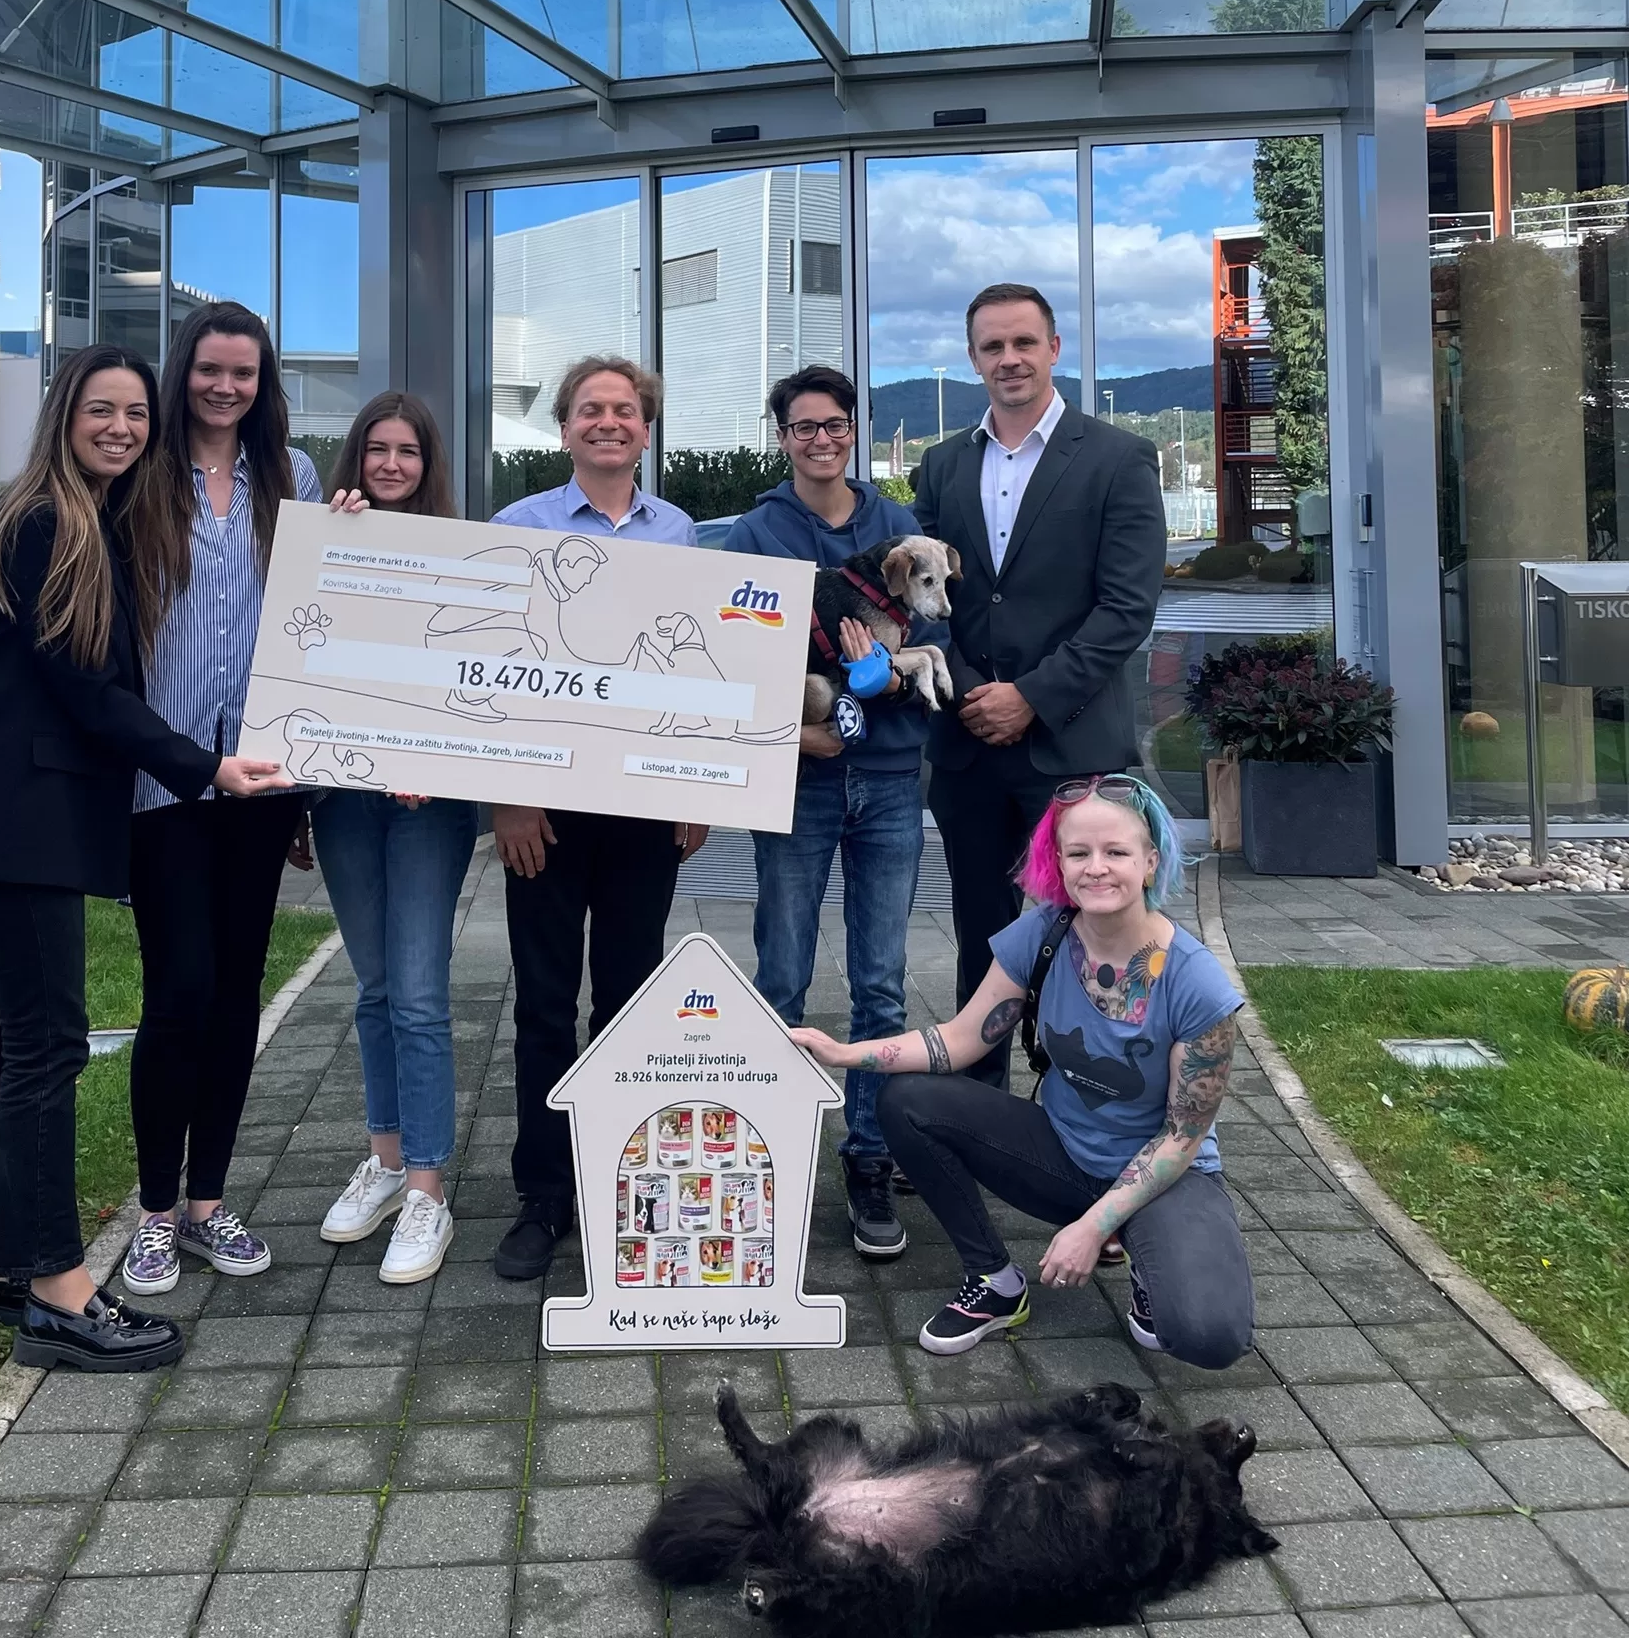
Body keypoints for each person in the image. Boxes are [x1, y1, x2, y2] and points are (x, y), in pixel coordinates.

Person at [0, 346, 287, 1372]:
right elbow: (88, 689)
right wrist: (205, 768)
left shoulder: (77, 515)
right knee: (47, 1048)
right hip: (20, 821)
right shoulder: (44, 522)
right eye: (100, 410)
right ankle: (58, 1292)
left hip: (12, 820)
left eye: (134, 414)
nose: (120, 428)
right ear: (63, 416)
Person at [791, 774, 1254, 1368]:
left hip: (1164, 1175)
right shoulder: (1045, 934)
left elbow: (1181, 1139)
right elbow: (960, 1040)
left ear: (1150, 862)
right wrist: (844, 1053)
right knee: (906, 1101)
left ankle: (1146, 1257)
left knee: (1208, 1335)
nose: (1096, 868)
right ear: (1057, 862)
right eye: (1078, 853)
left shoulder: (1197, 984)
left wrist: (1093, 1227)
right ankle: (994, 1281)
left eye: (1116, 852)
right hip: (1062, 1154)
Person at [488, 355, 708, 1280]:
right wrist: (508, 797)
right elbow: (493, 671)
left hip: (643, 810)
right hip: (543, 813)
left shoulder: (681, 533)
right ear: (566, 428)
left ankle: (621, 1180)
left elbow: (695, 667)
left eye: (625, 410)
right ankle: (544, 1195)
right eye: (590, 409)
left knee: (628, 999)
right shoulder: (516, 528)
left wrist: (697, 787)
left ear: (645, 431)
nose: (608, 421)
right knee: (544, 1006)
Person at [119, 302, 323, 1298]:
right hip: (164, 775)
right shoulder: (140, 477)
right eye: (211, 369)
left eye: (244, 373)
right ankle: (155, 1213)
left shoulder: (294, 480)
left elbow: (323, 606)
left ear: (262, 382)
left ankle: (207, 1203)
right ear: (183, 371)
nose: (226, 387)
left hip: (263, 777)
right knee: (180, 990)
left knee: (238, 990)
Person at [915, 283, 1166, 1084]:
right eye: (992, 346)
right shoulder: (942, 465)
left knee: (1094, 940)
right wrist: (968, 694)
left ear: (1054, 349)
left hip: (1071, 746)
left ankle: (1088, 1110)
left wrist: (1030, 697)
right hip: (968, 749)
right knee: (982, 941)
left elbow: (1126, 610)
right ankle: (975, 1110)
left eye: (1024, 342)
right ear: (973, 358)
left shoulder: (1119, 458)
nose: (1010, 358)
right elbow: (924, 601)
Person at [725, 364, 928, 1261]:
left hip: (889, 779)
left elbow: (938, 629)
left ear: (853, 430)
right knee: (782, 978)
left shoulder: (898, 527)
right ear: (782, 438)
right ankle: (764, 1158)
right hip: (797, 783)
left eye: (835, 424)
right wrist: (795, 731)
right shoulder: (756, 532)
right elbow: (727, 652)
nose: (821, 439)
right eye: (804, 426)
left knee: (882, 982)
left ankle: (870, 1158)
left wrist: (893, 678)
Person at [311, 393, 479, 1284]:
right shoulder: (323, 541)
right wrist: (331, 545)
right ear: (356, 457)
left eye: (407, 451)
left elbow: (479, 684)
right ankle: (383, 1162)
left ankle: (427, 1190)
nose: (390, 464)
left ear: (428, 464)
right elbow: (298, 656)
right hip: (343, 797)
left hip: (429, 806)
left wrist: (432, 756)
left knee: (417, 995)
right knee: (373, 989)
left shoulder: (464, 557)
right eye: (376, 448)